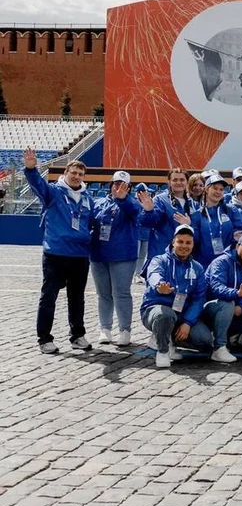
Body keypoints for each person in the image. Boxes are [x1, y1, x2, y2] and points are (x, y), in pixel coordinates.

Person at [23, 148, 94, 354]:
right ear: (66, 173)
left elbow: (91, 224)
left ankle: (77, 335)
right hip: (56, 253)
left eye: (80, 174)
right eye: (73, 173)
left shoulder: (88, 198)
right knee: (49, 297)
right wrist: (31, 169)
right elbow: (38, 185)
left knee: (77, 298)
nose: (77, 176)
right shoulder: (54, 192)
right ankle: (44, 338)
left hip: (79, 255)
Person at [91, 171, 152, 346]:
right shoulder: (99, 203)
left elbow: (136, 212)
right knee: (103, 294)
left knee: (121, 294)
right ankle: (105, 328)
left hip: (123, 256)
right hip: (98, 255)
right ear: (111, 185)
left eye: (124, 185)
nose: (119, 188)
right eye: (116, 184)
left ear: (129, 188)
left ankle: (125, 330)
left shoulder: (132, 204)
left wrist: (123, 199)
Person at [140, 225, 207, 368]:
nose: (184, 246)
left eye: (188, 243)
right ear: (173, 242)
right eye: (180, 242)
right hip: (157, 310)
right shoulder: (159, 260)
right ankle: (163, 350)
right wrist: (159, 285)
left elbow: (199, 298)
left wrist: (188, 323)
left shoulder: (197, 268)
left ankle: (168, 337)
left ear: (193, 244)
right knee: (164, 315)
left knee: (204, 340)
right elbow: (154, 274)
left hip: (181, 314)